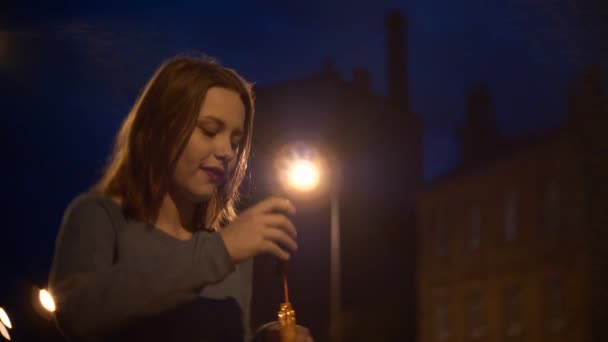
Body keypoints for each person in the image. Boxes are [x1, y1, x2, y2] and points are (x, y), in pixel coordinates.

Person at [49, 54, 312, 341]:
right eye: (209, 131)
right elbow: (77, 313)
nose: (227, 152)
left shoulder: (228, 246)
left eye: (236, 141)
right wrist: (219, 251)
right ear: (158, 129)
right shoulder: (99, 216)